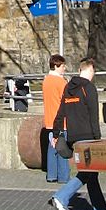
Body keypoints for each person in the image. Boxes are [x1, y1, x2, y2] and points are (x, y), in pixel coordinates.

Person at [51, 57, 106, 210]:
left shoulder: (69, 87)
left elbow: (60, 112)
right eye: (93, 72)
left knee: (92, 173)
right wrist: (98, 139)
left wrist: (56, 134)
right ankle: (62, 197)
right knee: (87, 172)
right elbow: (93, 115)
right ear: (91, 70)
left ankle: (100, 209)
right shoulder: (88, 88)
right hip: (88, 137)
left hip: (73, 137)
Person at [42, 54, 70, 184]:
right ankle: (63, 176)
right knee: (62, 148)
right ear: (56, 65)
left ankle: (51, 175)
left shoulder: (46, 80)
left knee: (52, 147)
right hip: (61, 120)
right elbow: (66, 101)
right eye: (63, 66)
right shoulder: (61, 82)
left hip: (49, 120)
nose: (64, 68)